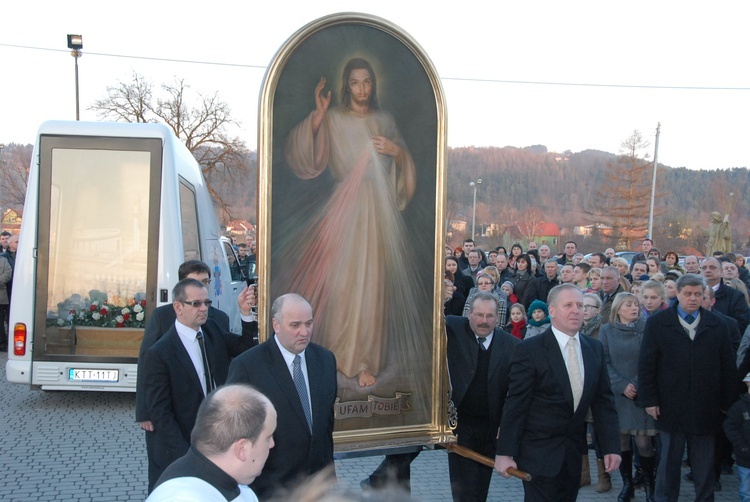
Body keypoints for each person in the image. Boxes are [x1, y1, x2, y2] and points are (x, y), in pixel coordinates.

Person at [282, 57, 429, 389]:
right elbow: (309, 160)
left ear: (373, 85)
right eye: (355, 82)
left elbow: (405, 168)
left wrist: (397, 152)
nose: (362, 89)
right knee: (342, 284)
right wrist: (318, 116)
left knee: (372, 286)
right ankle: (334, 356)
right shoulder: (334, 119)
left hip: (377, 212)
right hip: (343, 210)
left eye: (367, 82)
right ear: (346, 86)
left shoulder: (385, 120)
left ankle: (364, 360)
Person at [136, 260, 259, 490]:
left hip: (217, 437)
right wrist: (188, 457)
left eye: (206, 302)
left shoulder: (212, 330)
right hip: (182, 446)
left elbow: (245, 348)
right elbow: (161, 413)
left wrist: (245, 313)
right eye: (196, 304)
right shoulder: (160, 353)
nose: (204, 308)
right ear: (178, 307)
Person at [495, 284, 621, 501]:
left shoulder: (594, 349)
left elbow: (603, 403)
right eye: (568, 305)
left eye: (580, 305)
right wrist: (505, 453)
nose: (576, 310)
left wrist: (611, 447)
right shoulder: (529, 350)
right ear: (552, 311)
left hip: (573, 455)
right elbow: (516, 404)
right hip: (538, 455)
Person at [226, 294, 337, 500]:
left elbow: (326, 422)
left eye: (309, 323)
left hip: (319, 484)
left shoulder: (325, 359)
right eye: (295, 325)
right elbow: (234, 431)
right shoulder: (248, 366)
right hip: (271, 487)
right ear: (276, 325)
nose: (304, 332)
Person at [638, 273, 737, 501]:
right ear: (678, 295)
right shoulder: (658, 324)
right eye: (688, 294)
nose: (693, 298)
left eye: (698, 294)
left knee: (704, 464)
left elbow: (728, 368)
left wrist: (725, 403)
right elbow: (646, 365)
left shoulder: (718, 325)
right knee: (669, 462)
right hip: (670, 405)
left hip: (706, 406)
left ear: (705, 297)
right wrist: (650, 400)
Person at [446, 292, 520, 501]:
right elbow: (428, 320)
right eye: (478, 315)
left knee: (481, 486)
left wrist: (505, 426)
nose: (483, 321)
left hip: (491, 428)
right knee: (463, 489)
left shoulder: (511, 346)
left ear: (498, 318)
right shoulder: (453, 329)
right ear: (468, 313)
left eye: (489, 316)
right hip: (461, 427)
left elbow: (514, 391)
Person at [147, 385, 277, 502]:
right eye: (268, 437)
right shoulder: (181, 498)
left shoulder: (236, 485)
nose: (272, 444)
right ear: (242, 449)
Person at [600, 292, 657, 502]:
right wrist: (621, 385)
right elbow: (604, 361)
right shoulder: (607, 330)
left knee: (644, 443)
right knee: (622, 443)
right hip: (619, 395)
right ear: (618, 309)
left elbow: (651, 359)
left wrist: (636, 383)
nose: (634, 308)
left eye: (636, 304)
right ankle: (627, 485)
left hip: (641, 394)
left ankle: (650, 484)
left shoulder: (648, 329)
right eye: (628, 305)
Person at [723, 373, 750, 502]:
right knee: (747, 492)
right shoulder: (739, 407)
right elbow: (730, 428)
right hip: (746, 459)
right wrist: (742, 448)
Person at [0, 234, 17, 352]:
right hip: (6, 291)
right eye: (16, 242)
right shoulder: (4, 256)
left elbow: (8, 272)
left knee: (11, 318)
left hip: (10, 291)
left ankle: (10, 343)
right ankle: (3, 343)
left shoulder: (4, 260)